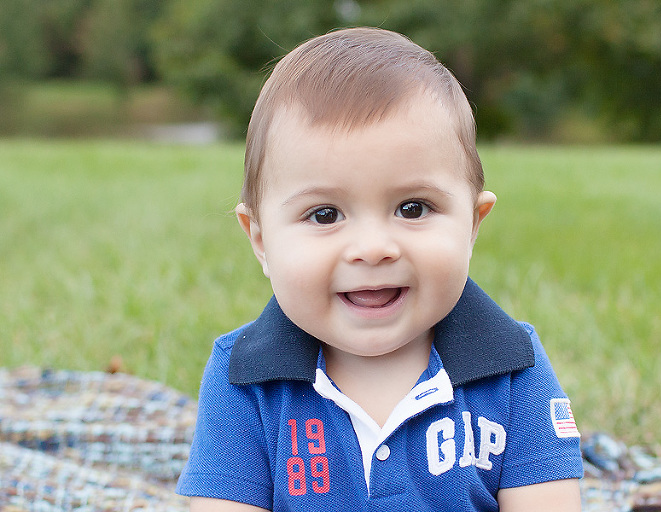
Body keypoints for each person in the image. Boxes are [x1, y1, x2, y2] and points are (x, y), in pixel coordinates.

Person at [176, 27, 583, 511]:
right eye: (324, 215)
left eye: (412, 208)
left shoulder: (513, 369)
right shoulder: (244, 378)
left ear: (472, 224)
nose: (372, 249)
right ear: (261, 239)